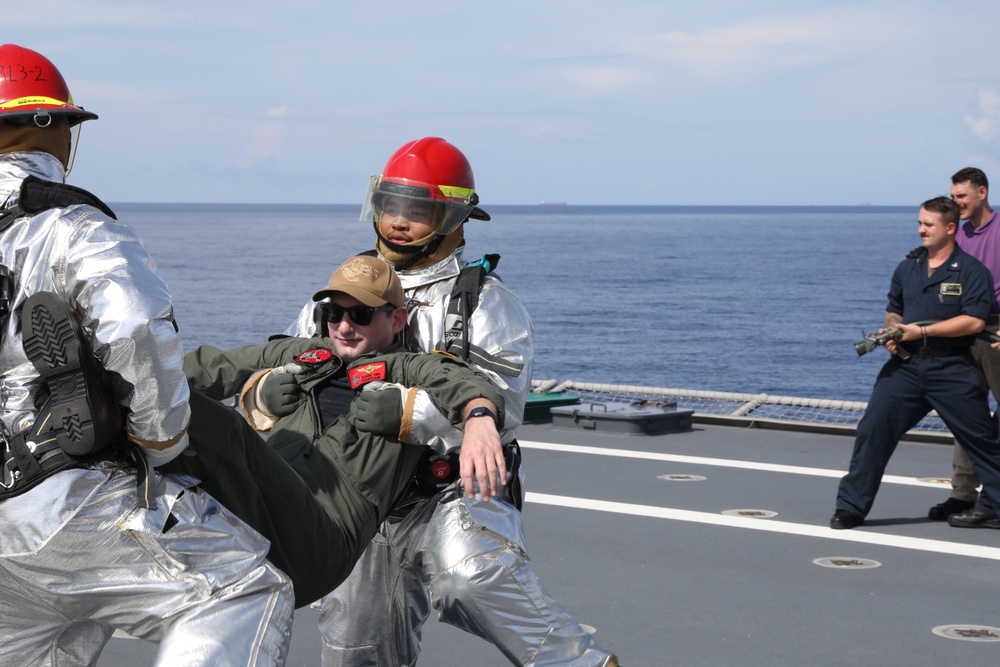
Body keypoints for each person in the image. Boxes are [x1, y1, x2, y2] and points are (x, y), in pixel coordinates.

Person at [0, 44, 294, 665]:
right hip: (70, 495)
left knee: (56, 641)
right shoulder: (72, 225)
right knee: (242, 589)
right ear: (51, 128)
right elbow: (136, 327)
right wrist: (162, 443)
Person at [287, 138, 618, 666]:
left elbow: (503, 402)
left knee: (470, 577)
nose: (399, 222)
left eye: (417, 210)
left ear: (454, 217)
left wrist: (404, 415)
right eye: (391, 206)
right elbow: (291, 368)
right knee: (355, 644)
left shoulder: (484, 301)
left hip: (448, 486)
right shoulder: (339, 298)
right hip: (361, 493)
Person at [175, 254, 509, 608]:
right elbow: (216, 367)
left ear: (397, 319)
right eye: (334, 313)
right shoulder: (306, 355)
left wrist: (480, 420)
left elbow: (465, 382)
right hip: (262, 512)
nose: (344, 327)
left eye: (360, 315)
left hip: (322, 539)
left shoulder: (410, 368)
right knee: (173, 411)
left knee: (224, 429)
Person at [830, 196, 1000, 530]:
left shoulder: (972, 272)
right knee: (873, 430)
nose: (921, 229)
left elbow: (974, 323)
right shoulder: (907, 267)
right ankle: (851, 507)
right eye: (920, 223)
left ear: (950, 228)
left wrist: (920, 330)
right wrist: (893, 328)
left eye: (928, 224)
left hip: (951, 368)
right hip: (906, 369)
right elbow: (894, 307)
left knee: (981, 440)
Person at [925, 167, 1000, 526]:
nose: (956, 204)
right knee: (966, 414)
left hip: (997, 330)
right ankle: (963, 494)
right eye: (953, 197)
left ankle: (994, 498)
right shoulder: (958, 235)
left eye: (961, 197)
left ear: (982, 193)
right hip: (963, 329)